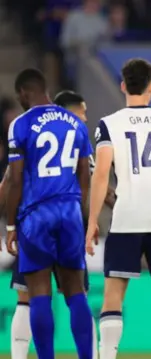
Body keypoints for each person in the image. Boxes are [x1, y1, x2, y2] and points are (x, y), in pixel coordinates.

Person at [86, 58, 151, 359]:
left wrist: (92, 221)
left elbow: (101, 174)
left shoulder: (109, 125)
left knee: (113, 296)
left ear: (122, 86)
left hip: (126, 219)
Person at [2, 68, 94, 359]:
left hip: (36, 215)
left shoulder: (20, 124)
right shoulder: (75, 123)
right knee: (75, 291)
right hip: (69, 212)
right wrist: (81, 213)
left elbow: (15, 180)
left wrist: (10, 226)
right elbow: (84, 171)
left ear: (22, 94)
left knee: (37, 293)